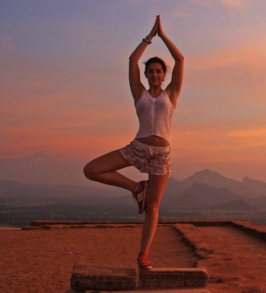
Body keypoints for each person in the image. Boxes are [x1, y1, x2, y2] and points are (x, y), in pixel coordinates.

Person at [83, 15, 184, 270]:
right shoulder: (138, 92)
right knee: (91, 169)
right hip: (137, 148)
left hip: (161, 154)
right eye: (150, 71)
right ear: (146, 75)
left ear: (164, 75)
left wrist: (163, 35)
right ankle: (134, 188)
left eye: (159, 71)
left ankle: (143, 255)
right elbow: (132, 60)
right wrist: (149, 38)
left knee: (153, 206)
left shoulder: (171, 93)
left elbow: (181, 60)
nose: (154, 74)